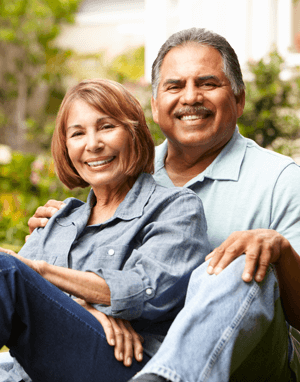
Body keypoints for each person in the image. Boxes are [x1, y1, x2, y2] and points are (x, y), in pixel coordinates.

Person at [24, 28, 300, 381]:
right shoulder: (122, 170)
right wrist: (64, 245)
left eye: (207, 83)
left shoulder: (281, 179)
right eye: (174, 86)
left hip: (249, 365)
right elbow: (104, 276)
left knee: (238, 259)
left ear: (239, 99)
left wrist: (282, 253)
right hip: (128, 356)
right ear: (154, 105)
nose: (190, 97)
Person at [0, 78, 211, 382]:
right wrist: (85, 308)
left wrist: (41, 272)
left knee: (7, 269)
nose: (92, 144)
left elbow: (149, 290)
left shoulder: (175, 208)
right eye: (77, 133)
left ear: (134, 133)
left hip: (125, 363)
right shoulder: (59, 220)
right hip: (35, 371)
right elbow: (24, 305)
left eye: (107, 127)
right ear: (66, 147)